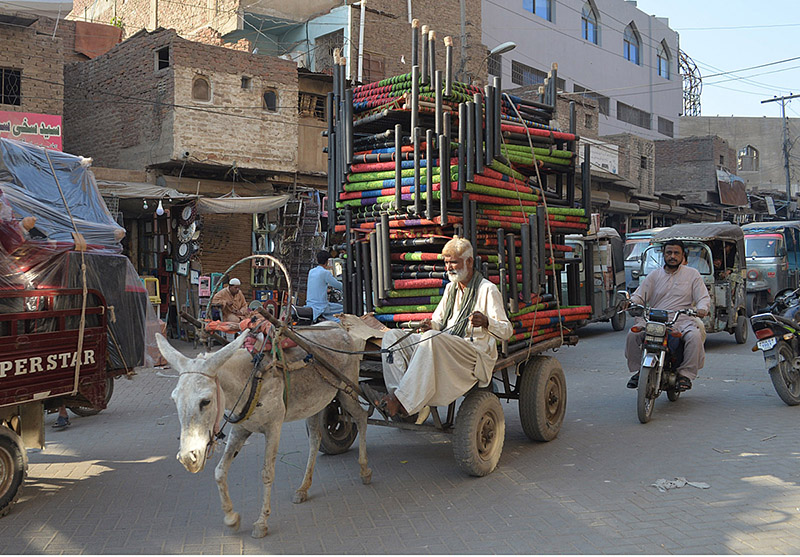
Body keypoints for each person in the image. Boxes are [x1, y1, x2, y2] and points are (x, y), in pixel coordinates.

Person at [376, 237, 513, 419]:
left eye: (454, 262)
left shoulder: (487, 290)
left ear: (469, 261)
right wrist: (429, 324)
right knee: (392, 338)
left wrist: (487, 322)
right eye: (446, 262)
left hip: (473, 352)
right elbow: (438, 323)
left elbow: (507, 331)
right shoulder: (450, 288)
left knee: (432, 338)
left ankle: (403, 401)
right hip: (444, 344)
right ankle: (399, 397)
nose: (449, 267)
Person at [625, 239, 711, 392]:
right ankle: (638, 372)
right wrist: (631, 303)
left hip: (682, 319)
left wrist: (702, 308)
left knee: (694, 337)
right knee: (632, 335)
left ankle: (686, 374)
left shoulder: (693, 275)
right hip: (654, 318)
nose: (672, 256)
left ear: (683, 256)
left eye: (676, 253)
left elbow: (703, 297)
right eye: (668, 253)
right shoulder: (654, 275)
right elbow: (639, 296)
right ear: (663, 255)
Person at [306, 250, 343, 321]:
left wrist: (326, 290)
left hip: (310, 304)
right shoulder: (325, 273)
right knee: (344, 309)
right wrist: (348, 287)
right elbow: (338, 285)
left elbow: (316, 285)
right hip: (321, 306)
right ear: (327, 261)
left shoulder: (311, 271)